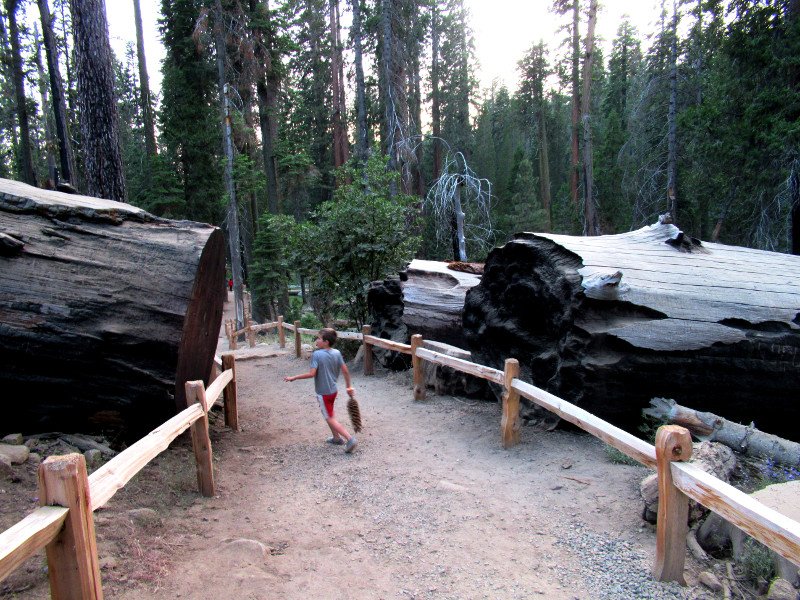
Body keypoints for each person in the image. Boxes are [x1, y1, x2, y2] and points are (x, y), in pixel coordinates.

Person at [284, 328, 358, 453]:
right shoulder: (337, 353)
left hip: (323, 393)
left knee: (329, 417)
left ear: (326, 342)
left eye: (319, 338)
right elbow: (345, 371)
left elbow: (312, 374)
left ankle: (350, 439)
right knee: (329, 414)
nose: (316, 340)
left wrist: (294, 377)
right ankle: (336, 438)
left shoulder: (317, 355)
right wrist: (348, 386)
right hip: (333, 391)